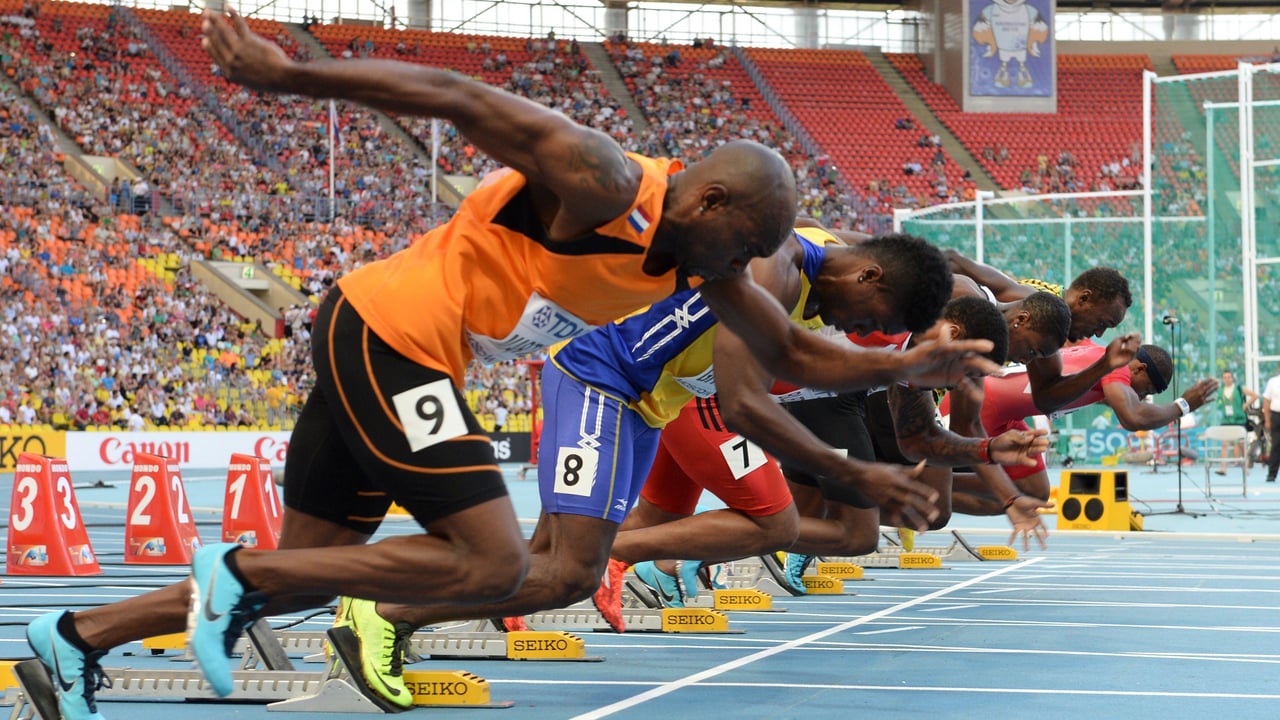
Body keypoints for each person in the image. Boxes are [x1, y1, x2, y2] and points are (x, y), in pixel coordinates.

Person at [24, 13, 999, 720]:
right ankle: (232, 575)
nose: (740, 276)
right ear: (705, 206)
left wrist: (905, 371)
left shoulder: (712, 267)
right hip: (387, 334)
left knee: (308, 576)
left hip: (403, 349)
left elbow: (793, 355)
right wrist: (294, 81)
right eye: (737, 251)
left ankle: (73, 642)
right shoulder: (603, 181)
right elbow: (459, 94)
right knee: (493, 557)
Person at [331, 224, 1003, 705]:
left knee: (546, 555)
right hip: (602, 377)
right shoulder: (774, 270)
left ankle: (392, 604)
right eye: (869, 318)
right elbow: (742, 403)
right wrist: (854, 472)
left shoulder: (815, 273)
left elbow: (801, 364)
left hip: (648, 402)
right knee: (570, 573)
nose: (859, 331)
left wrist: (897, 367)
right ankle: (386, 613)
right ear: (868, 276)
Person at [619, 295, 1046, 604]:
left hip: (703, 394)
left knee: (656, 518)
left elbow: (922, 443)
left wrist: (990, 450)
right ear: (952, 336)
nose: (957, 385)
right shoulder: (885, 320)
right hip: (707, 395)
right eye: (964, 372)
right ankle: (636, 558)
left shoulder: (913, 362)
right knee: (778, 525)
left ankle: (568, 561)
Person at [944, 343, 1219, 514]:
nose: (1144, 397)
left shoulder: (1094, 353)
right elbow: (1133, 418)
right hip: (979, 406)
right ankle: (932, 485)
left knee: (1034, 493)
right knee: (1012, 495)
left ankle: (937, 493)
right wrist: (1183, 405)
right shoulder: (1118, 366)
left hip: (1006, 414)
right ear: (1139, 368)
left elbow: (1133, 409)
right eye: (1146, 389)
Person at [944, 253, 1141, 416]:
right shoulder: (1035, 312)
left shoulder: (1046, 319)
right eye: (1102, 323)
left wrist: (1105, 365)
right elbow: (952, 262)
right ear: (1084, 298)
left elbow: (1046, 397)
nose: (1098, 333)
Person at [1215, 370, 1258, 474]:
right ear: (1223, 379)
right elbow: (1219, 403)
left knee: (1241, 444)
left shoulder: (1239, 388)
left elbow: (1254, 395)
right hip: (1226, 420)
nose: (1227, 379)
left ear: (1232, 378)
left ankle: (1245, 467)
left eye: (1229, 377)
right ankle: (1223, 468)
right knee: (1225, 443)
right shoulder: (1221, 391)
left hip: (1238, 419)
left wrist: (1245, 405)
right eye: (1225, 377)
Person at [1263, 368, 1280, 483]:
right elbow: (1266, 401)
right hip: (1276, 415)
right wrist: (1267, 420)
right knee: (1275, 445)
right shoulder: (1272, 382)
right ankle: (1272, 474)